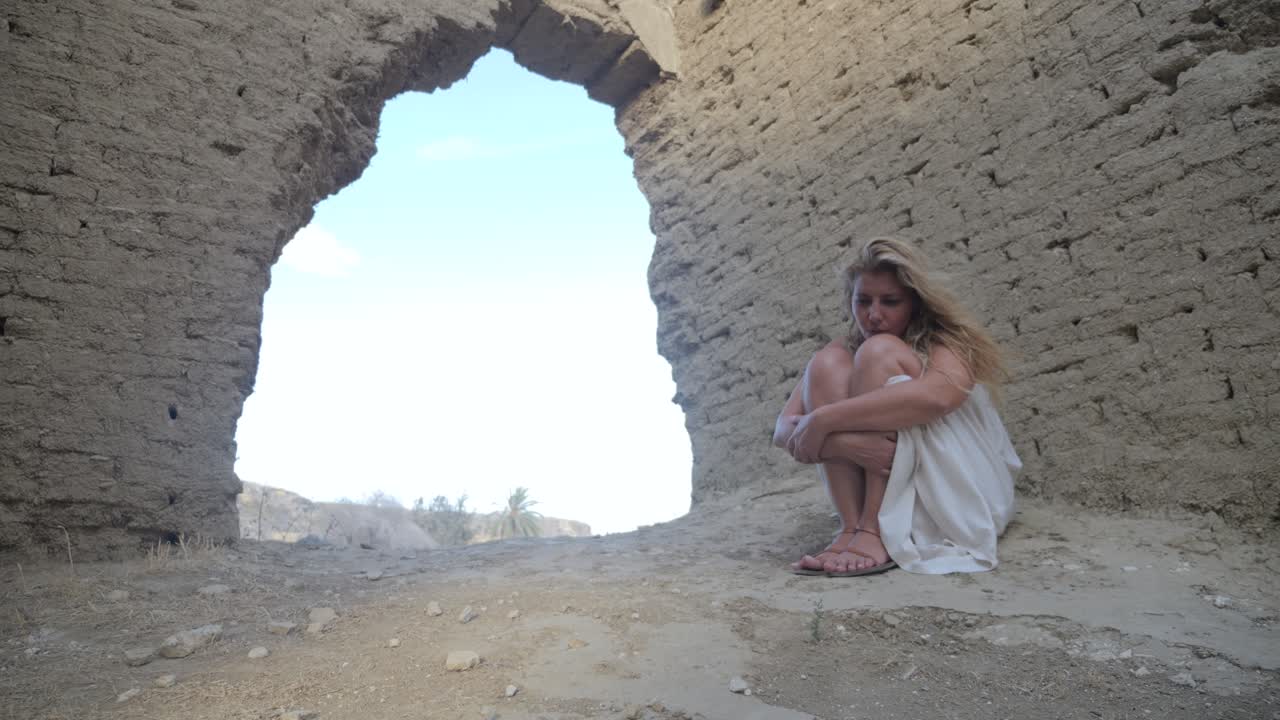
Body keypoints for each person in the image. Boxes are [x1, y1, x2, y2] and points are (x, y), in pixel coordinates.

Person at [773, 237, 1021, 576]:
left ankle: (876, 530)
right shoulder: (845, 349)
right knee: (827, 363)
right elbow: (782, 430)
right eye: (863, 301)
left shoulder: (946, 342)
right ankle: (852, 528)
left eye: (890, 302)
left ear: (915, 304)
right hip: (890, 466)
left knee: (879, 352)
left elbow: (938, 397)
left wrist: (824, 420)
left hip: (959, 485)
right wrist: (850, 444)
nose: (874, 315)